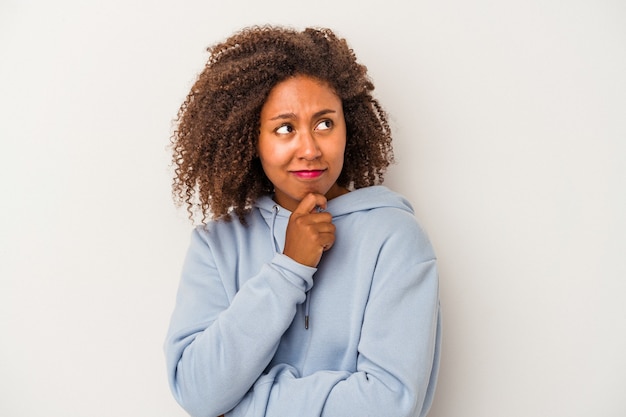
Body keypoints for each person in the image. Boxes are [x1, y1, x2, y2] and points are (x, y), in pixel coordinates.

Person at [164, 25, 441, 417]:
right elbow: (196, 391)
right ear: (250, 139)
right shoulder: (217, 245)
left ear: (350, 128)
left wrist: (241, 404)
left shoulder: (393, 238)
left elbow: (389, 404)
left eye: (325, 123)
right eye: (284, 128)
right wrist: (289, 268)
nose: (309, 149)